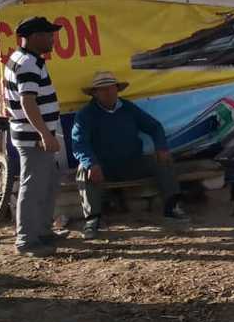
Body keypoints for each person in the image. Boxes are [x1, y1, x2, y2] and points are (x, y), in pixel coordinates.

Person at [71, 72, 189, 240]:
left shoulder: (128, 108)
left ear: (117, 90)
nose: (108, 92)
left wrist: (161, 147)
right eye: (103, 89)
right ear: (94, 93)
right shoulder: (85, 114)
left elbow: (154, 126)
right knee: (84, 169)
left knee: (164, 161)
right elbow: (79, 143)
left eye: (111, 88)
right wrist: (91, 163)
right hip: (103, 168)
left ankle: (172, 208)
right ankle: (92, 219)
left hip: (132, 163)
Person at [3, 17, 66, 257]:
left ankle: (42, 231)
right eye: (49, 34)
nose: (53, 38)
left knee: (47, 183)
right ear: (35, 36)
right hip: (34, 137)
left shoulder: (22, 59)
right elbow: (27, 101)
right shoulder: (28, 63)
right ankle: (26, 240)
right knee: (33, 187)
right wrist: (43, 133)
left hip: (35, 135)